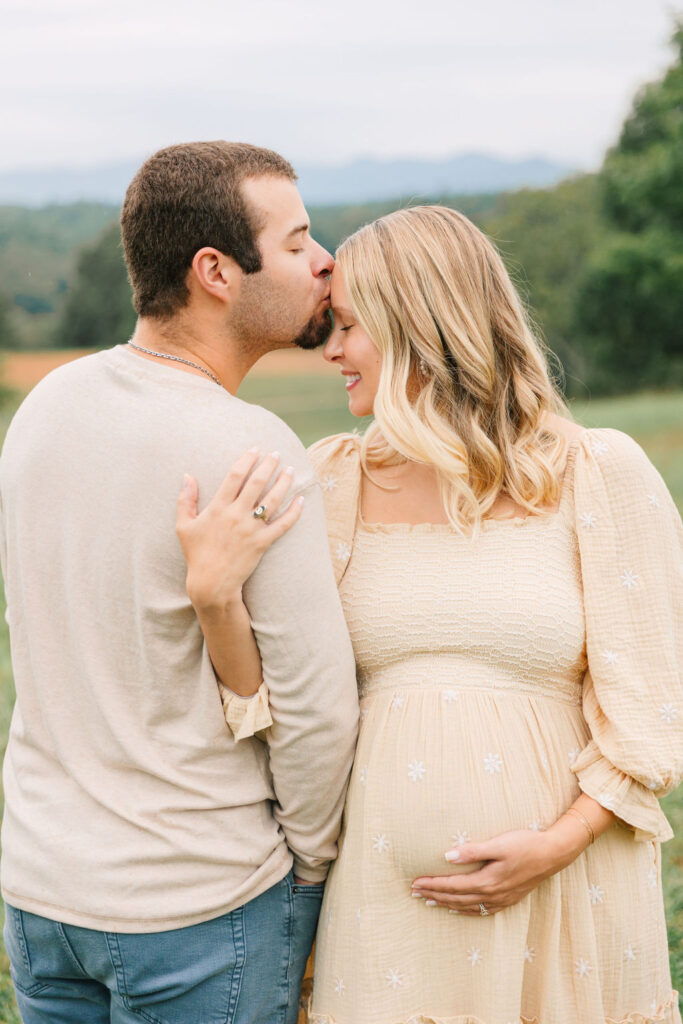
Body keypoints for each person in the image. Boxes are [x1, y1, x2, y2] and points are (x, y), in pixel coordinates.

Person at [179, 205, 683, 1024]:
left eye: (347, 326)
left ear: (421, 324)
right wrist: (216, 601)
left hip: (565, 900)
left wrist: (552, 846)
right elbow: (272, 707)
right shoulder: (327, 483)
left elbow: (652, 714)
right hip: (380, 912)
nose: (331, 350)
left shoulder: (596, 472)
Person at [0, 141, 358, 1024]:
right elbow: (316, 712)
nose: (325, 263)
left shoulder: (45, 406)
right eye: (296, 242)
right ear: (215, 272)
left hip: (43, 893)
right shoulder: (255, 450)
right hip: (200, 905)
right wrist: (308, 874)